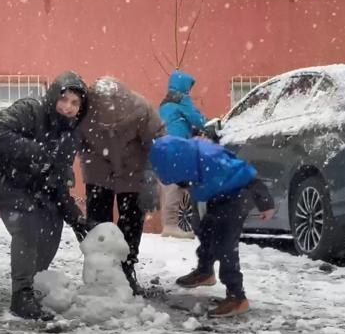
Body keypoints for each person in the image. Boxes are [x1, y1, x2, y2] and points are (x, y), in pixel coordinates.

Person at [0, 71, 95, 321]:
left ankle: (35, 280)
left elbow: (58, 182)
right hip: (0, 179)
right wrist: (39, 153)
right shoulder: (30, 109)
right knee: (27, 223)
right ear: (53, 96)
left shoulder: (69, 136)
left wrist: (75, 218)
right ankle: (21, 294)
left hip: (31, 186)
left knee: (52, 221)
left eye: (75, 103)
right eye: (64, 99)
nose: (68, 107)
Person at [149, 135, 275, 318]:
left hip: (238, 196)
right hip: (219, 196)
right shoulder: (191, 159)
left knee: (225, 245)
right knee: (204, 229)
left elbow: (246, 174)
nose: (182, 184)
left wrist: (265, 202)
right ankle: (205, 271)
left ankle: (237, 296)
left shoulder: (212, 159)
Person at [78, 76, 166, 296]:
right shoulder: (84, 111)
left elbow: (158, 140)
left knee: (132, 221)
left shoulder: (140, 108)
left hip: (133, 168)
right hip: (98, 167)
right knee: (98, 224)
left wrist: (149, 176)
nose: (110, 127)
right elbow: (71, 140)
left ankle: (126, 270)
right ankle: (100, 273)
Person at [158, 69, 208, 239]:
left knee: (167, 187)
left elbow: (176, 122)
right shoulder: (182, 99)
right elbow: (197, 119)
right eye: (189, 88)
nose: (189, 92)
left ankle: (168, 224)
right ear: (184, 86)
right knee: (177, 186)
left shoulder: (166, 102)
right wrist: (207, 125)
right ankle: (172, 225)